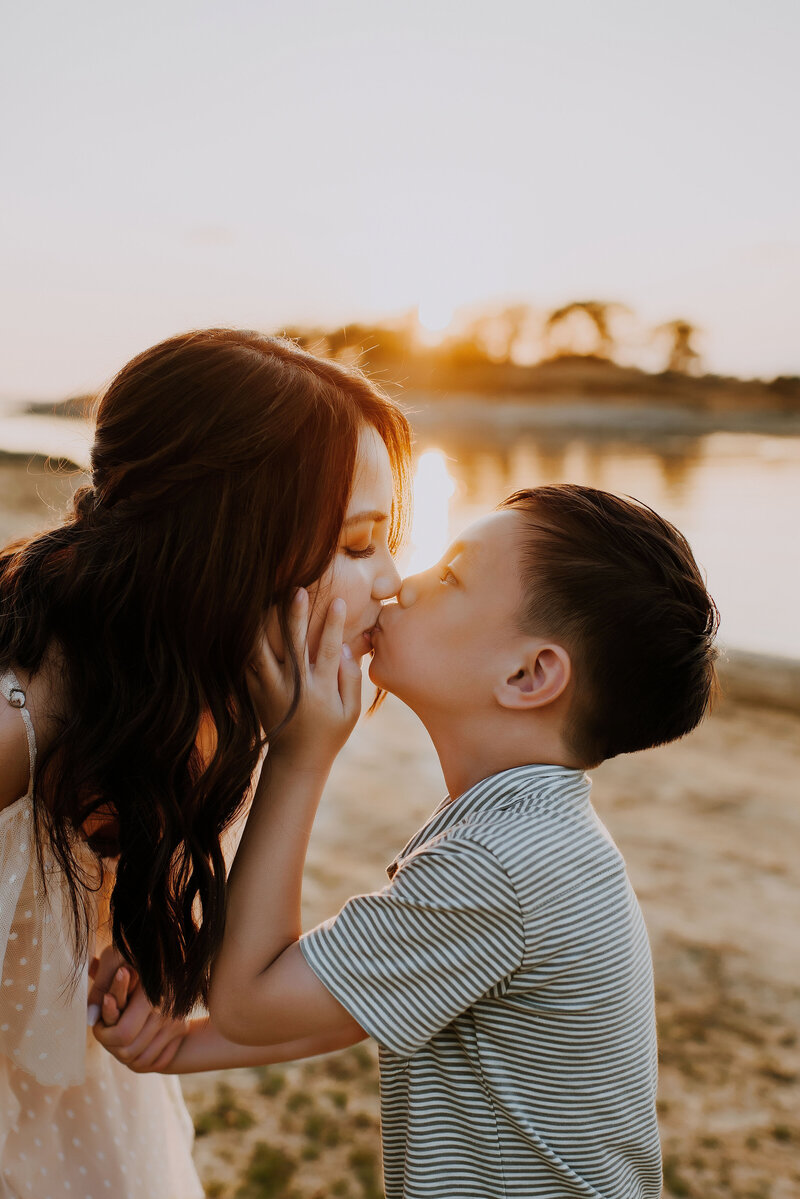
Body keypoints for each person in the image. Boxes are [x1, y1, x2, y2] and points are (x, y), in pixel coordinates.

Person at [196, 483, 718, 1199]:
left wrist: (299, 752)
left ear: (529, 674)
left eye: (448, 574)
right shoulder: (535, 832)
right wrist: (180, 1042)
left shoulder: (499, 865)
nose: (401, 585)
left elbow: (252, 1001)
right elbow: (382, 994)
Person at [0, 328, 410, 1197]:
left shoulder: (193, 679)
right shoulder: (18, 728)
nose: (393, 581)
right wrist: (301, 755)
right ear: (230, 540)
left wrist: (132, 959)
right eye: (361, 542)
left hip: (87, 1109)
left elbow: (220, 958)